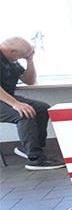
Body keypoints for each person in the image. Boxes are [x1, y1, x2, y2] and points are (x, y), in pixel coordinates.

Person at [0, 36, 63, 170]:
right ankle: (35, 159)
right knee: (23, 113)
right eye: (22, 56)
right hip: (4, 99)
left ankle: (30, 148)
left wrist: (30, 60)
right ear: (12, 52)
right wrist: (15, 104)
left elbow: (30, 80)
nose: (21, 59)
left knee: (42, 108)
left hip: (6, 98)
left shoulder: (12, 61)